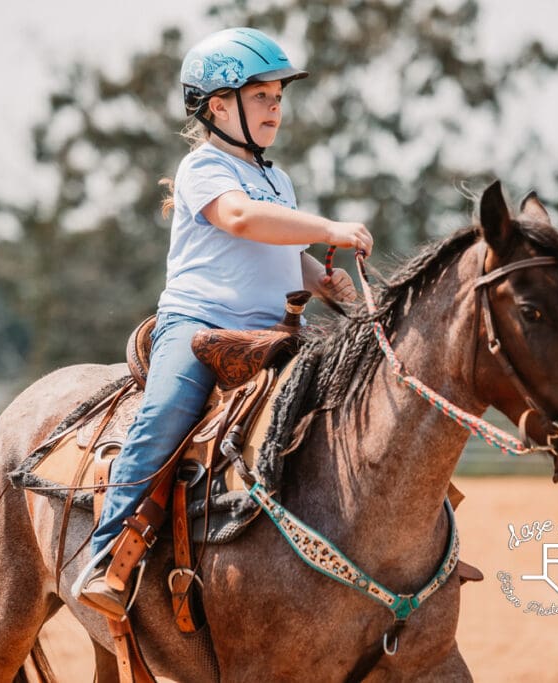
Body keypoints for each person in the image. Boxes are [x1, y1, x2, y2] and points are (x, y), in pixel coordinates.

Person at [76, 27, 373, 617]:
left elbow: (278, 245)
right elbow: (240, 219)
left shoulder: (277, 179)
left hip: (274, 333)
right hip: (198, 327)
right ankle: (107, 556)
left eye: (279, 98)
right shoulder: (201, 169)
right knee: (163, 417)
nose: (275, 109)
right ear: (218, 106)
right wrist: (328, 228)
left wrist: (322, 278)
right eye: (261, 96)